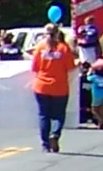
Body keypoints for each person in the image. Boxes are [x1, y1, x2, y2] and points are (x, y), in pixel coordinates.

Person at [30, 22, 78, 152]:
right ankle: (55, 134)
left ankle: (45, 144)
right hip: (59, 87)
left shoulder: (40, 48)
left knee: (43, 115)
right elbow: (71, 68)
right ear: (57, 34)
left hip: (41, 86)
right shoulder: (63, 48)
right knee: (58, 115)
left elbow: (34, 67)